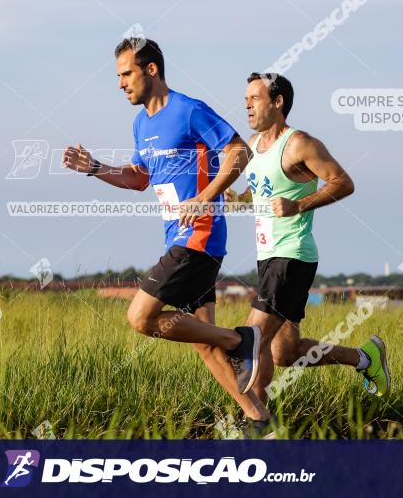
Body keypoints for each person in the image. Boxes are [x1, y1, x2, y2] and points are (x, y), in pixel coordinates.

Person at [63, 37, 274, 427]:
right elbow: (138, 178)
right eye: (118, 76)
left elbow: (239, 150)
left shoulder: (189, 110)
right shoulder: (141, 123)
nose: (120, 83)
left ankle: (239, 341)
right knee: (202, 341)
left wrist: (206, 197)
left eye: (126, 73)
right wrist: (94, 168)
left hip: (199, 237)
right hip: (178, 238)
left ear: (151, 69)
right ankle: (259, 421)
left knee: (140, 318)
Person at [235, 72, 391, 437]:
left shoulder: (299, 144)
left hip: (291, 257)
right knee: (284, 353)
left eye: (255, 98)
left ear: (278, 102)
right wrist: (226, 200)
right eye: (246, 98)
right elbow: (254, 194)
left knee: (251, 340)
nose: (247, 104)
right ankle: (366, 358)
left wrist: (300, 205)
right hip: (267, 257)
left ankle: (257, 427)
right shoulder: (254, 146)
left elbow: (343, 182)